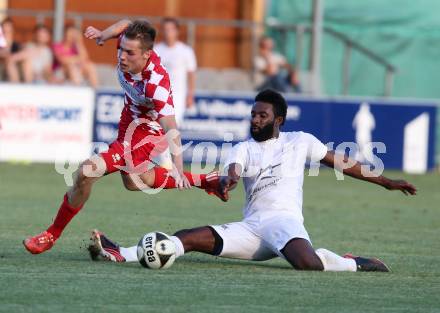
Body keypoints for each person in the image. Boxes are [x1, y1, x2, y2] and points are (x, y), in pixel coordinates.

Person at [88, 89, 417, 272]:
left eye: (262, 115)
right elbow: (234, 169)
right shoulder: (243, 148)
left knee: (309, 266)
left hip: (285, 223)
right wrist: (229, 181)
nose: (255, 119)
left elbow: (343, 163)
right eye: (253, 114)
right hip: (253, 229)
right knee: (188, 237)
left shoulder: (300, 140)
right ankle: (124, 253)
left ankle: (348, 263)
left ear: (279, 120)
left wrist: (387, 182)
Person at [23, 19, 226, 255]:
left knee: (87, 171)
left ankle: (51, 234)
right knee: (134, 182)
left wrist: (178, 167)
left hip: (147, 131)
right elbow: (127, 24)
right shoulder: (129, 47)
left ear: (146, 55)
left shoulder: (156, 82)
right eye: (121, 50)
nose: (122, 57)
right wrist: (104, 33)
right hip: (128, 121)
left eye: (129, 53)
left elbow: (171, 125)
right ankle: (206, 180)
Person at [154, 17, 196, 126]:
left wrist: (190, 95)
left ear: (177, 31)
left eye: (171, 29)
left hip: (177, 94)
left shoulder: (186, 51)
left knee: (173, 126)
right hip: (159, 94)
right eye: (166, 29)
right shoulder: (156, 50)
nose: (168, 32)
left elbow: (191, 74)